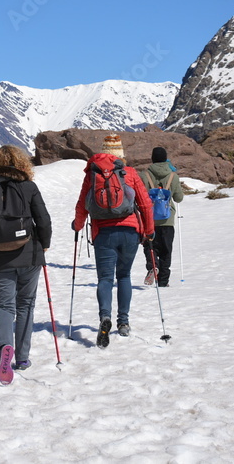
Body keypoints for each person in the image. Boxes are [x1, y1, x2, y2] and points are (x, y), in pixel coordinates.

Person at [0, 145, 52, 383]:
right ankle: (22, 358)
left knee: (5, 306)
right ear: (22, 163)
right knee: (26, 305)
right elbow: (43, 220)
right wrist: (45, 244)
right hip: (29, 254)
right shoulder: (28, 186)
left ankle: (4, 349)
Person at [73, 134, 154, 348]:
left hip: (103, 232)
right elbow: (145, 204)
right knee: (124, 275)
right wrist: (149, 231)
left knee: (105, 279)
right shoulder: (130, 173)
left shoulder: (93, 174)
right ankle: (124, 322)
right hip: (129, 232)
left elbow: (82, 204)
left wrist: (78, 225)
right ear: (121, 154)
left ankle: (104, 317)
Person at [140, 147, 184, 287]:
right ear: (166, 159)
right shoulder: (173, 176)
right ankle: (163, 281)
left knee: (149, 246)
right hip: (167, 219)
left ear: (152, 158)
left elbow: (139, 197)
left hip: (149, 218)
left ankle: (153, 266)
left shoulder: (144, 175)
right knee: (166, 250)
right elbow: (178, 198)